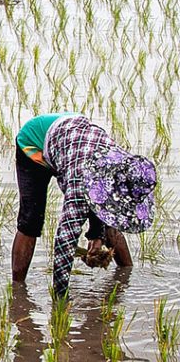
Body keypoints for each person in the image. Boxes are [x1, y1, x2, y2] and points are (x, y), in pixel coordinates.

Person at [10, 113, 157, 298]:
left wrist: (98, 235)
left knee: (112, 215)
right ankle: (17, 291)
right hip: (34, 143)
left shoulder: (123, 166)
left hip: (75, 145)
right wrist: (60, 302)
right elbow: (64, 242)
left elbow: (104, 205)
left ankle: (125, 278)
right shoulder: (80, 185)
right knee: (31, 220)